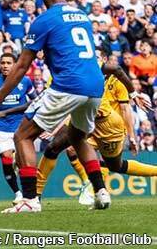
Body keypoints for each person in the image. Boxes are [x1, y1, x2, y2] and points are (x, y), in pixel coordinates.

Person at [0, 0, 110, 214]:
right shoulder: (83, 16)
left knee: (23, 136)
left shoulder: (44, 20)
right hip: (95, 85)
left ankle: (29, 199)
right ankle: (101, 192)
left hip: (69, 85)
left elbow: (20, 67)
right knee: (77, 137)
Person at [36, 53, 154, 203]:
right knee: (55, 147)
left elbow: (125, 107)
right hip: (83, 119)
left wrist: (132, 135)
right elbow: (51, 102)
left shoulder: (102, 73)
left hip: (108, 124)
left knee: (114, 165)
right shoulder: (60, 74)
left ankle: (98, 189)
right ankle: (36, 195)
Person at [0, 53, 36, 204]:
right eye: (2, 63)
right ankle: (18, 193)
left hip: (21, 126)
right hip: (2, 126)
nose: (5, 65)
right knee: (6, 160)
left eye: (8, 63)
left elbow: (36, 100)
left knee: (22, 161)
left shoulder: (25, 81)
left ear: (14, 65)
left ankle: (30, 194)